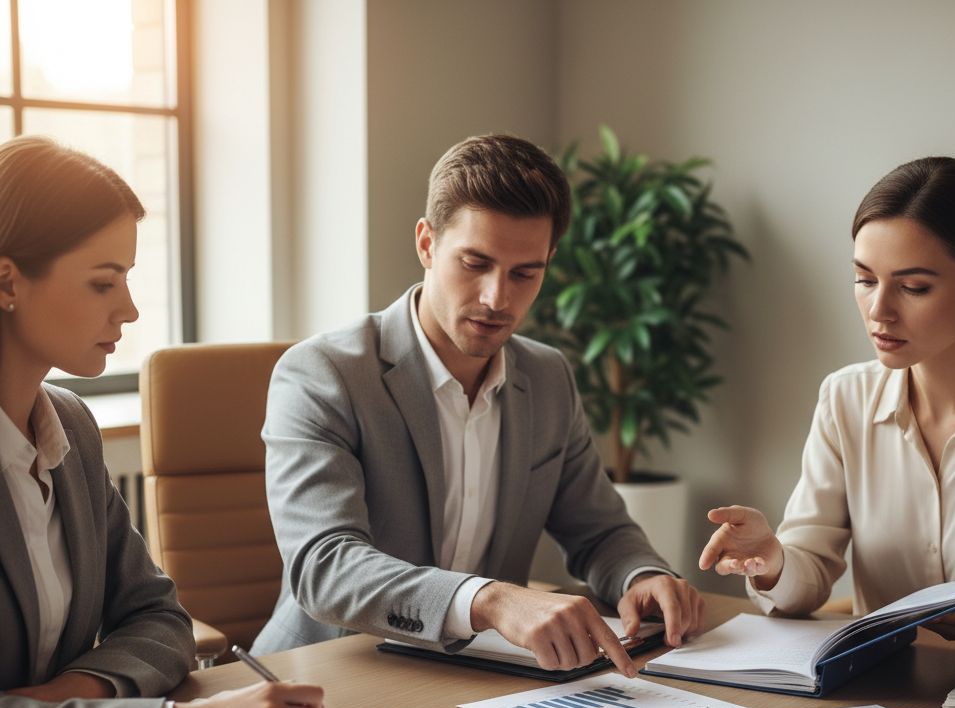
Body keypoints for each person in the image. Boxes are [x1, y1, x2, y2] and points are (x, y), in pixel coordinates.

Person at [252, 134, 704, 673]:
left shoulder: (547, 377)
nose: (497, 298)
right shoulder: (325, 374)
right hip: (331, 674)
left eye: (524, 274)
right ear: (426, 244)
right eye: (475, 263)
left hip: (479, 676)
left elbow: (599, 529)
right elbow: (325, 568)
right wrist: (489, 599)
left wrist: (642, 576)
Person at [0, 137, 327, 708]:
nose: (129, 309)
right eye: (104, 281)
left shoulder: (67, 425)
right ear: (7, 280)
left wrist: (70, 702)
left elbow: (158, 617)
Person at [699, 156, 955, 647]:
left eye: (914, 287)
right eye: (866, 280)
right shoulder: (845, 397)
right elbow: (807, 577)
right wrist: (772, 558)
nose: (879, 311)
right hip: (885, 701)